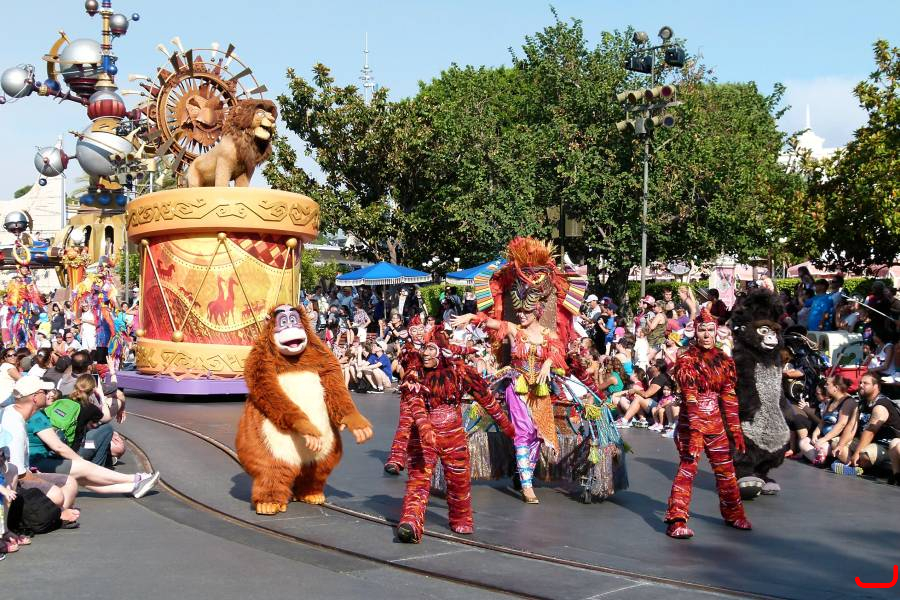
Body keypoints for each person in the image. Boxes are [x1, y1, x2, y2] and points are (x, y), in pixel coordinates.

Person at [395, 331, 514, 543]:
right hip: (424, 438)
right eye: (424, 348)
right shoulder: (415, 374)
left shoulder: (459, 372)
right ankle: (410, 522)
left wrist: (507, 426)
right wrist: (425, 429)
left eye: (431, 349)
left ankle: (461, 518)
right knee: (419, 480)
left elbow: (486, 398)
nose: (425, 353)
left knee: (459, 481)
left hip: (454, 436)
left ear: (442, 352)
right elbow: (415, 404)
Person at [664, 309, 751, 539]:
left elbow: (729, 395)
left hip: (715, 425)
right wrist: (694, 432)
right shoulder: (687, 360)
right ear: (695, 332)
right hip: (691, 424)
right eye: (702, 330)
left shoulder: (724, 360)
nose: (706, 335)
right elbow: (690, 398)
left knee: (726, 471)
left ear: (716, 332)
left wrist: (735, 429)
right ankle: (676, 519)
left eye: (710, 330)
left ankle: (734, 513)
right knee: (688, 469)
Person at [833, 372, 900, 482]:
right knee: (836, 443)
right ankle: (853, 467)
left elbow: (870, 431)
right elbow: (851, 426)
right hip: (866, 441)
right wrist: (841, 444)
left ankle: (853, 466)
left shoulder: (881, 405)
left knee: (864, 455)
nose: (861, 385)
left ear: (876, 386)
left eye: (865, 383)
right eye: (860, 382)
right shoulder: (862, 403)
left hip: (884, 445)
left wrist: (857, 453)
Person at [798, 376, 856, 465]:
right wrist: (815, 434)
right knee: (803, 442)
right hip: (824, 437)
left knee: (822, 446)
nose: (825, 386)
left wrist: (824, 439)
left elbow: (841, 425)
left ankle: (823, 458)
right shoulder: (831, 401)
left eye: (827, 384)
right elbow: (822, 422)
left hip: (835, 439)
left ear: (836, 388)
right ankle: (818, 460)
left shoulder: (848, 402)